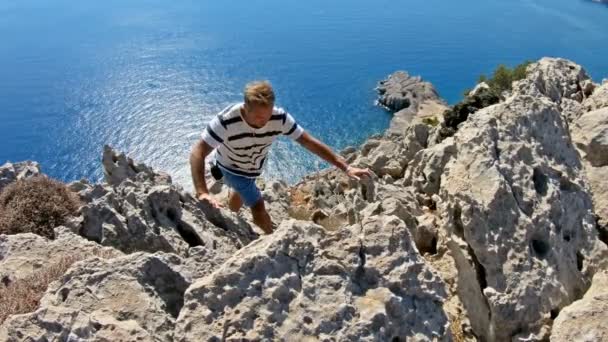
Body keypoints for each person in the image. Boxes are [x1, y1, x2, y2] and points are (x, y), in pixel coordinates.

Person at [190, 81, 371, 234]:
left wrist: (345, 167)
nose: (265, 122)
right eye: (259, 117)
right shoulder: (226, 120)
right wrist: (202, 192)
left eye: (268, 115)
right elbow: (198, 152)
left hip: (253, 167)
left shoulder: (279, 117)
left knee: (241, 191)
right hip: (230, 167)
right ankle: (271, 236)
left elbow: (308, 142)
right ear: (245, 108)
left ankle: (230, 218)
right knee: (258, 205)